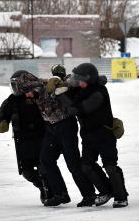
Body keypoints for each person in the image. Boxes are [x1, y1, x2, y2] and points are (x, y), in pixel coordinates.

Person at [11, 71, 96, 207]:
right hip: (51, 127)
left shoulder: (48, 85)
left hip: (66, 125)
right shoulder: (33, 94)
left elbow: (70, 80)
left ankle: (89, 194)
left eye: (27, 92)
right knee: (46, 160)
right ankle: (61, 194)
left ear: (32, 87)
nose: (27, 96)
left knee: (72, 162)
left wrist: (58, 80)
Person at [52, 63, 128, 208]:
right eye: (77, 79)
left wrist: (61, 94)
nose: (77, 82)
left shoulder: (99, 93)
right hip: (88, 135)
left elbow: (77, 109)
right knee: (86, 165)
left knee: (110, 166)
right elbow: (70, 89)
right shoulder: (82, 89)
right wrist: (59, 84)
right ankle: (105, 191)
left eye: (80, 80)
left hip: (104, 134)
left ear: (89, 79)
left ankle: (121, 196)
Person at [0, 70, 53, 205]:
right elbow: (1, 120)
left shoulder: (39, 96)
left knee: (44, 167)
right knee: (27, 172)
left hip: (41, 137)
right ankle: (40, 186)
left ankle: (49, 190)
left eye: (17, 85)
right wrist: (1, 125)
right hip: (22, 142)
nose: (15, 88)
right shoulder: (10, 102)